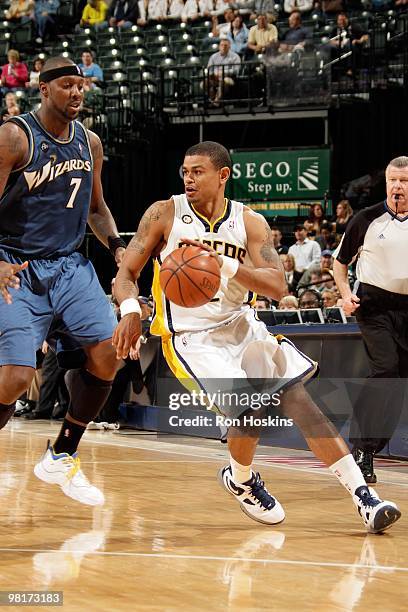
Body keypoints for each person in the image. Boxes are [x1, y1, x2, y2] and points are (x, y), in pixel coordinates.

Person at [112, 140, 400, 534]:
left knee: (301, 399)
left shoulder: (249, 222)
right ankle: (242, 478)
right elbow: (126, 275)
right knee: (249, 408)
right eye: (185, 171)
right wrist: (130, 310)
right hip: (191, 337)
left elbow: (276, 285)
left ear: (223, 175)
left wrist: (225, 265)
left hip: (241, 324)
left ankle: (363, 496)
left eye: (198, 171)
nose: (188, 178)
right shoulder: (165, 213)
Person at [0, 56, 126, 505]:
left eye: (81, 85)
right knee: (15, 380)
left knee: (111, 352)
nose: (77, 92)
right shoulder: (15, 136)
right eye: (68, 85)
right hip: (16, 265)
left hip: (70, 266)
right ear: (44, 89)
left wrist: (116, 247)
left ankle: (62, 454)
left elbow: (96, 208)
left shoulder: (89, 143)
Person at [333, 155, 408, 485]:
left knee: (397, 382)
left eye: (404, 181)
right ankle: (362, 449)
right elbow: (339, 264)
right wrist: (346, 294)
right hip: (374, 305)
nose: (397, 186)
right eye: (393, 180)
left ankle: (371, 447)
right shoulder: (367, 218)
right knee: (385, 368)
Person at [206, 39, 241, 104]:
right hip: (215, 77)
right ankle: (212, 99)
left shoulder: (235, 56)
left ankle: (217, 100)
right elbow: (209, 69)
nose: (223, 47)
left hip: (229, 77)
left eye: (226, 45)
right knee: (204, 83)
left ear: (229, 46)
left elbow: (236, 70)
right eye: (222, 45)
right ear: (219, 46)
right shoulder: (213, 56)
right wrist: (214, 74)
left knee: (224, 81)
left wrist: (223, 72)